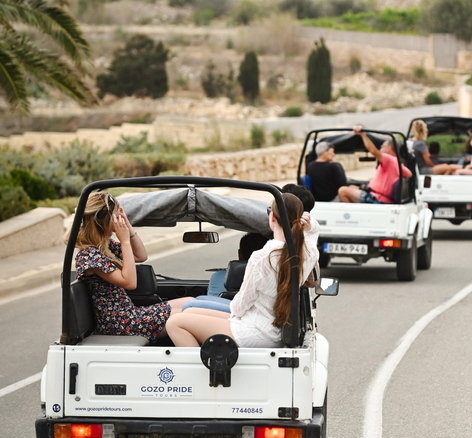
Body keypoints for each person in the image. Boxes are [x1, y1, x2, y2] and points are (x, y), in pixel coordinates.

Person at [166, 193, 320, 348]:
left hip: (256, 332)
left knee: (175, 322)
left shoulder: (261, 257)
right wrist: (308, 224)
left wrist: (233, 314)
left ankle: (200, 372)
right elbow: (314, 231)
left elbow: (240, 305)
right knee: (189, 313)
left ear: (272, 217)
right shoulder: (308, 254)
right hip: (271, 330)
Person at [73, 191, 193, 341]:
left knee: (190, 303)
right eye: (115, 218)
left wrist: (127, 225)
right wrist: (124, 241)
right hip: (120, 324)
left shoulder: (104, 247)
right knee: (189, 316)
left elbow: (140, 255)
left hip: (129, 315)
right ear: (102, 222)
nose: (118, 222)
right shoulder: (89, 255)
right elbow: (130, 282)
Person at [337, 125, 413, 203]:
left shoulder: (389, 159)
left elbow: (373, 151)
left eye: (382, 147)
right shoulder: (397, 163)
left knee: (342, 191)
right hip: (379, 196)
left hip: (377, 198)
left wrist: (363, 135)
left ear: (389, 148)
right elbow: (409, 174)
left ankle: (352, 215)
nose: (380, 149)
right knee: (351, 187)